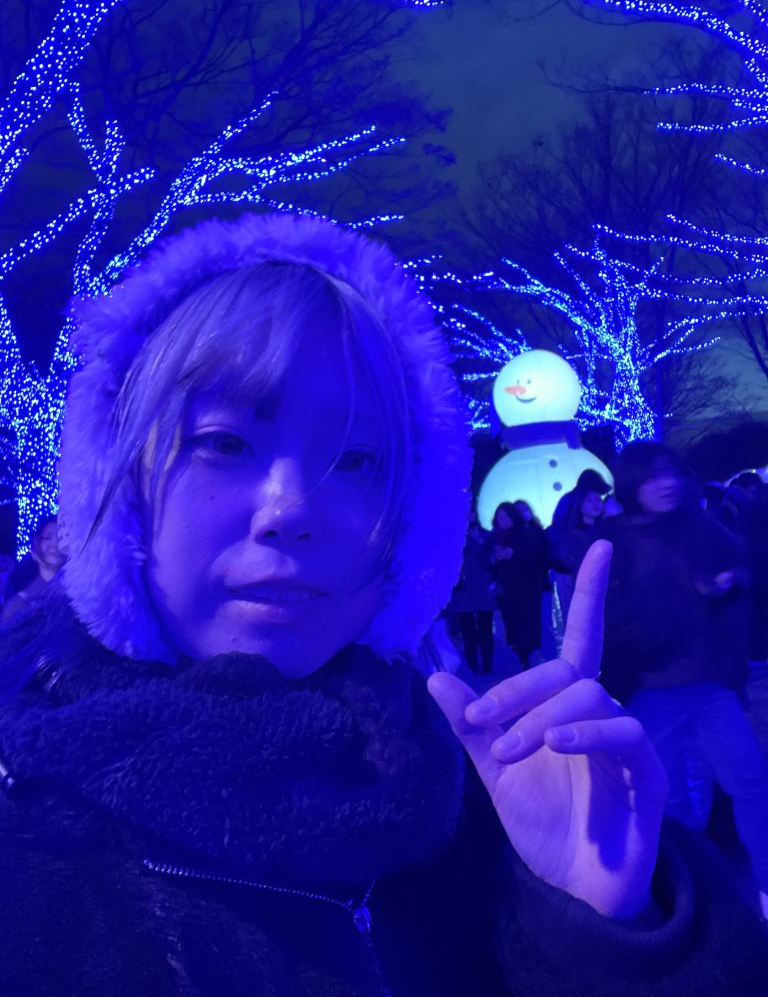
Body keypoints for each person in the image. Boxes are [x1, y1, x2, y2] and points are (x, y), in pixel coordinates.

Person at [0, 215, 764, 997]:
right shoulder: (26, 838)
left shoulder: (488, 803)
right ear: (117, 481)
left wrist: (606, 935)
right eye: (224, 442)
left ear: (410, 521)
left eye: (357, 459)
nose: (290, 508)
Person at [599, 441, 768, 918]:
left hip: (710, 683)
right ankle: (688, 897)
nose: (666, 484)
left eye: (671, 473)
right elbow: (605, 611)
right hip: (650, 688)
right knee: (663, 797)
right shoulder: (613, 539)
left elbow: (738, 567)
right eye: (653, 476)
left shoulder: (700, 525)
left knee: (751, 783)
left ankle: (764, 885)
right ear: (632, 482)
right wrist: (649, 627)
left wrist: (725, 585)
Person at [490, 500, 550, 670]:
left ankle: (533, 657)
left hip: (528, 587)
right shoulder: (494, 536)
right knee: (513, 626)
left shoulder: (526, 533)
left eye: (506, 516)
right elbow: (484, 558)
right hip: (506, 591)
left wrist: (514, 554)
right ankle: (524, 658)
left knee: (530, 624)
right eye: (500, 517)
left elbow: (537, 555)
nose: (503, 520)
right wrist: (494, 557)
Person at [548, 483, 604, 622]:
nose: (595, 504)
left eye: (598, 499)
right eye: (589, 501)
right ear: (579, 505)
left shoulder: (607, 528)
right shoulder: (572, 534)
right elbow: (574, 561)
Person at [449, 510, 495, 675]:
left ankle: (487, 665)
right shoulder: (453, 536)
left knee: (485, 628)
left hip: (483, 586)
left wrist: (479, 540)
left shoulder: (485, 535)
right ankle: (473, 665)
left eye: (470, 512)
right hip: (463, 589)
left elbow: (493, 558)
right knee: (467, 629)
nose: (468, 516)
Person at [0, 515, 65, 628]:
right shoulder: (18, 584)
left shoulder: (81, 587)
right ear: (36, 544)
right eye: (47, 537)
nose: (55, 544)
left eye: (61, 537)